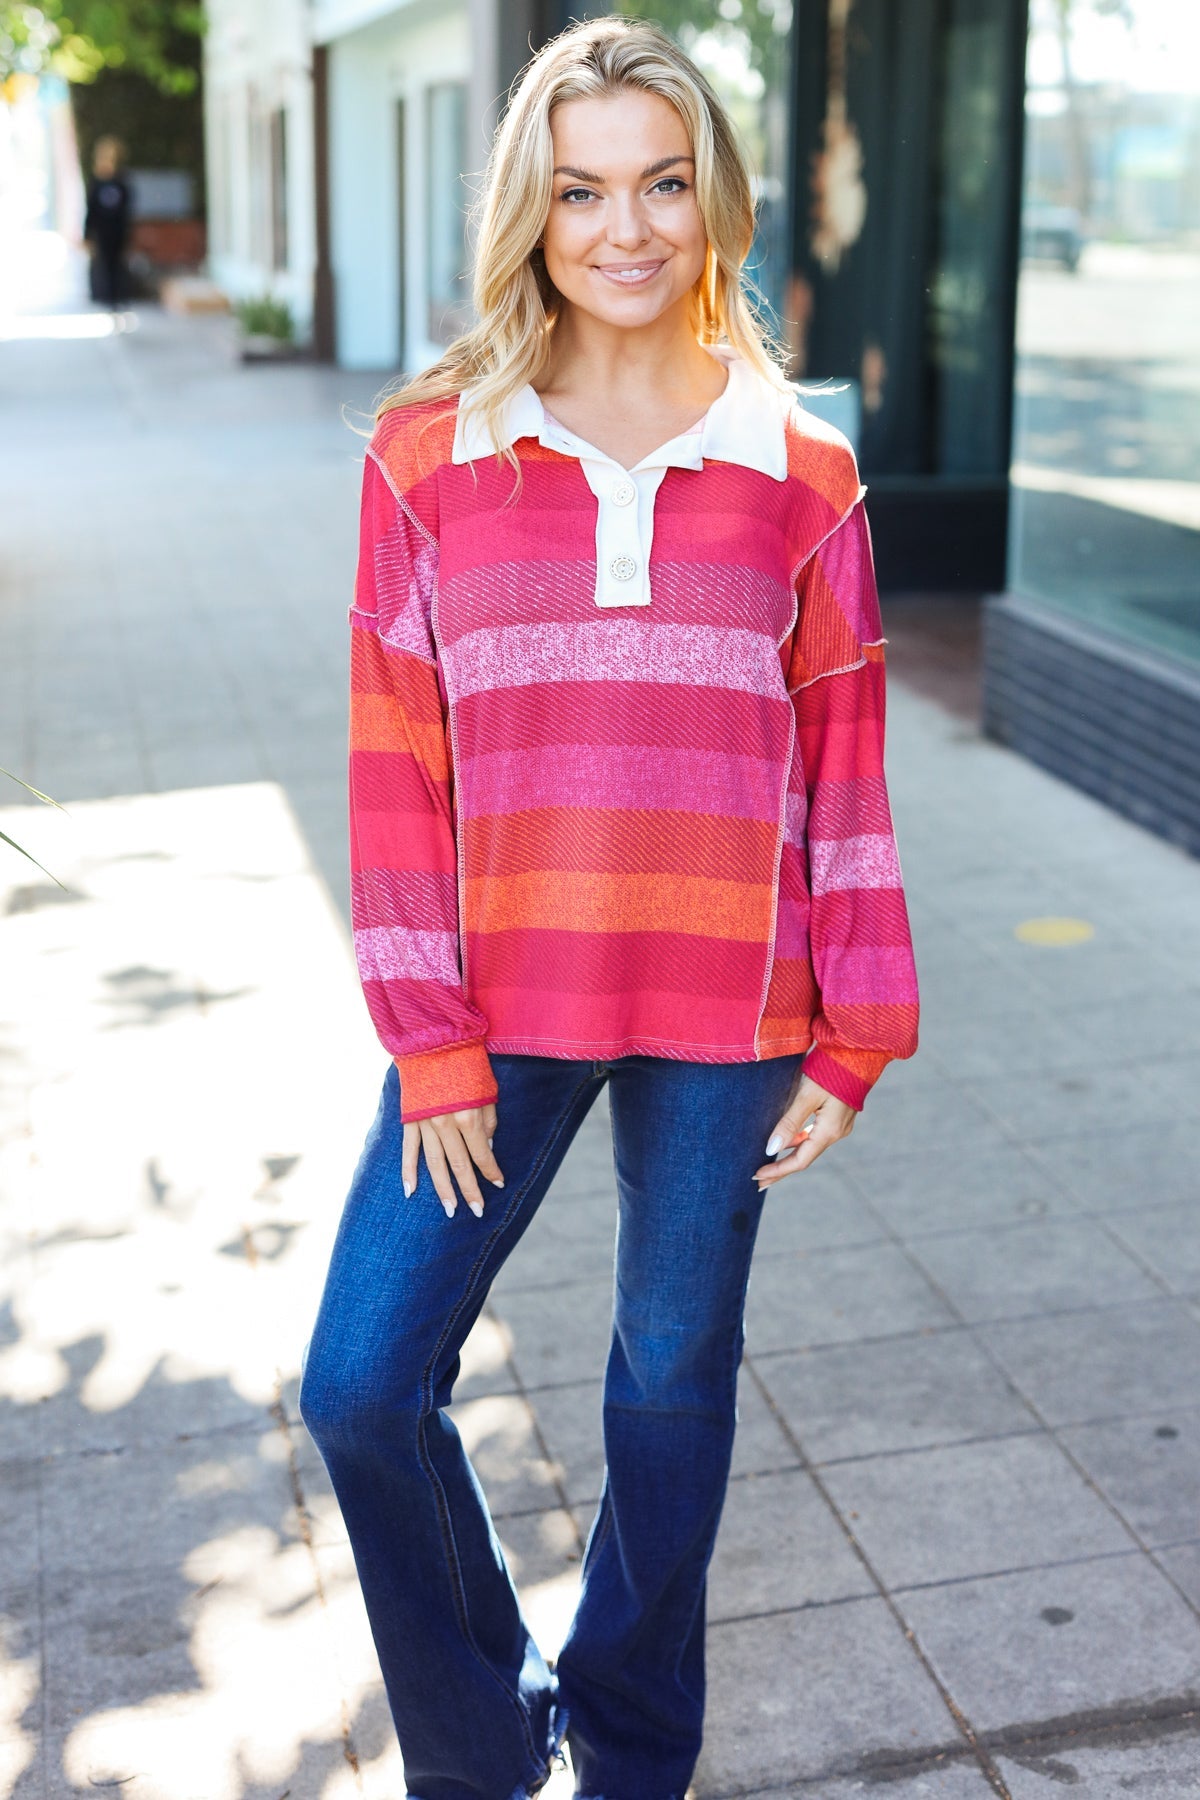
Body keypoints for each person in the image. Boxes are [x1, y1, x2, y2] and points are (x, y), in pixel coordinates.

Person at [298, 17, 919, 1799]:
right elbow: (394, 762)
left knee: (668, 1393)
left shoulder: (803, 470)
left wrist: (862, 1027)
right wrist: (429, 1042)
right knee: (361, 1384)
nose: (624, 227)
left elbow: (845, 770)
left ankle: (633, 1738)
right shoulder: (429, 454)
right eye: (581, 190)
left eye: (661, 181)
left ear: (710, 195)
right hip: (493, 1014)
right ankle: (484, 1741)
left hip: (736, 1012)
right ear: (533, 210)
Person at [83, 136, 132, 307]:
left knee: (118, 264)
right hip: (101, 231)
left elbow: (127, 208)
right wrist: (87, 234)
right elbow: (91, 209)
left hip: (118, 231)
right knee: (103, 265)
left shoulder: (122, 180)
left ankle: (119, 298)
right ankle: (105, 298)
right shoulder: (96, 182)